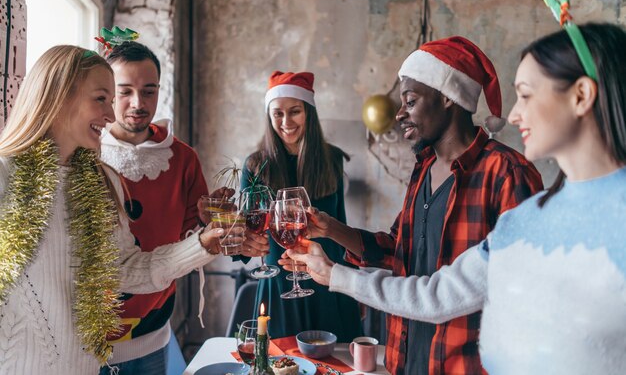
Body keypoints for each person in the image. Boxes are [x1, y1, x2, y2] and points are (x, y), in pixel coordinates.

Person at [288, 22, 626, 375]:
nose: (512, 114)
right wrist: (332, 238)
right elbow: (424, 281)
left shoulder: (508, 174)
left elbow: (533, 317)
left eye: (526, 94)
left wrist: (335, 274)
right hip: (408, 360)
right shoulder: (427, 171)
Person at [0, 45, 249, 374]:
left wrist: (203, 244)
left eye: (148, 91)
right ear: (61, 95)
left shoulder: (102, 183)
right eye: (103, 98)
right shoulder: (6, 176)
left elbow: (126, 270)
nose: (112, 114)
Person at [97, 41, 231, 374]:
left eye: (149, 91)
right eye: (124, 91)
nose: (137, 104)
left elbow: (196, 240)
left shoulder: (183, 158)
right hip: (84, 339)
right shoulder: (86, 152)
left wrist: (205, 220)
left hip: (152, 331)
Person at [241, 71, 362, 342]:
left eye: (294, 111)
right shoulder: (254, 165)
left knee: (335, 363)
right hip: (279, 281)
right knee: (281, 363)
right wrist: (241, 244)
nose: (286, 122)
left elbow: (341, 226)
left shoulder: (332, 159)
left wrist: (355, 285)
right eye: (277, 114)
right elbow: (246, 234)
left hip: (326, 278)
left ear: (309, 111)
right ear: (269, 116)